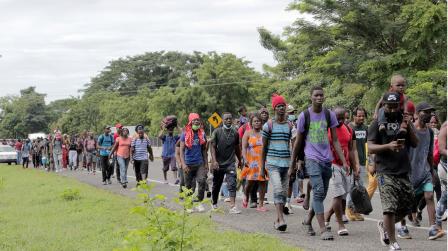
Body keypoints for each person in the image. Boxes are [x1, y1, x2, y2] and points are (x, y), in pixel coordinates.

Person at [290, 86, 347, 241]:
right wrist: (293, 164)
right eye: (316, 95)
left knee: (320, 195)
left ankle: (308, 221)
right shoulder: (304, 115)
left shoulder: (329, 115)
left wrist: (343, 161)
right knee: (320, 190)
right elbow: (298, 142)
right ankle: (323, 229)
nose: (319, 97)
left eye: (321, 95)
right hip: (311, 158)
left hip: (326, 160)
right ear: (311, 97)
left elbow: (335, 140)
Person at [368, 92, 418, 250]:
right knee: (389, 207)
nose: (391, 109)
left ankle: (384, 225)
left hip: (403, 170)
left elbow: (415, 143)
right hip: (385, 171)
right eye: (388, 106)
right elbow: (370, 147)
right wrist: (388, 146)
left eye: (394, 105)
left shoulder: (404, 120)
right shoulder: (376, 123)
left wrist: (409, 125)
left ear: (399, 105)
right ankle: (393, 242)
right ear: (383, 105)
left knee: (409, 205)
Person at [399, 103, 438, 239]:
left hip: (425, 172)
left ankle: (433, 228)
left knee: (429, 196)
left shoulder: (430, 132)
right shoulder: (409, 130)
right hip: (409, 173)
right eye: (426, 112)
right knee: (405, 201)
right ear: (417, 113)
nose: (429, 115)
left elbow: (429, 154)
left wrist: (432, 172)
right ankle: (402, 227)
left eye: (431, 113)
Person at [324, 107, 359, 236]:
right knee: (338, 195)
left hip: (346, 166)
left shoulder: (348, 129)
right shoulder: (327, 129)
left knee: (343, 195)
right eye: (337, 118)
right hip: (332, 165)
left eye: (342, 118)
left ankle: (327, 216)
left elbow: (350, 149)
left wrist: (354, 167)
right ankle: (340, 225)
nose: (340, 121)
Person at [261, 94, 292, 232]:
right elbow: (264, 148)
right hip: (272, 163)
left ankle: (277, 220)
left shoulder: (290, 125)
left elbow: (294, 144)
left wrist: (295, 163)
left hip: (286, 164)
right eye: (278, 106)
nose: (281, 108)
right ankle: (281, 219)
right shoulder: (268, 125)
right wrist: (262, 167)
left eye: (283, 106)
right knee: (278, 189)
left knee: (284, 194)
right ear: (274, 109)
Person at [210, 112, 242, 214]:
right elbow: (213, 147)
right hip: (219, 163)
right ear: (223, 120)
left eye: (230, 119)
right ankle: (214, 203)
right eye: (226, 119)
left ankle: (232, 206)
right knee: (217, 184)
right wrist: (214, 161)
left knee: (232, 183)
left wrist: (240, 160)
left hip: (230, 163)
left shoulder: (235, 133)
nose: (228, 120)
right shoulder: (217, 132)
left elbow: (237, 147)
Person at [179, 113, 208, 213]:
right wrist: (183, 164)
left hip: (199, 163)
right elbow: (181, 150)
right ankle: (188, 205)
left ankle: (199, 202)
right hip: (188, 164)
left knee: (202, 181)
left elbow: (204, 149)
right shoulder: (185, 134)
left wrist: (206, 164)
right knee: (188, 186)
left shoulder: (202, 134)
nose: (196, 122)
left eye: (198, 120)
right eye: (194, 120)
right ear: (190, 122)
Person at [241, 113, 268, 212]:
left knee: (262, 181)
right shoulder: (247, 133)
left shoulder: (264, 133)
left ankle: (260, 204)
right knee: (250, 182)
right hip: (251, 160)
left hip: (262, 160)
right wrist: (244, 158)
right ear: (251, 123)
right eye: (255, 121)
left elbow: (267, 147)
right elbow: (243, 148)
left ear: (261, 123)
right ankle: (246, 195)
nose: (257, 123)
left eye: (259, 121)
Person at [346, 107, 368, 221]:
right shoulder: (350, 127)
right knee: (352, 186)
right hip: (352, 162)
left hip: (362, 161)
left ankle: (355, 210)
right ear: (354, 116)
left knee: (359, 186)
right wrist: (353, 164)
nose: (361, 118)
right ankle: (349, 209)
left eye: (363, 116)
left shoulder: (365, 128)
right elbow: (350, 147)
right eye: (359, 116)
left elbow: (366, 144)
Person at [433, 121, 447, 239]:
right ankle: (437, 224)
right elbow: (442, 149)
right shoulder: (445, 128)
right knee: (445, 196)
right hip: (444, 166)